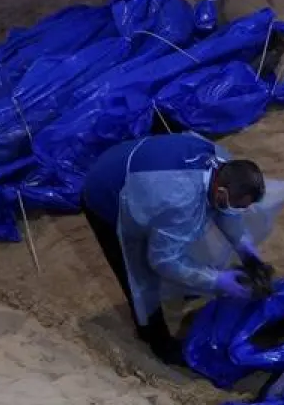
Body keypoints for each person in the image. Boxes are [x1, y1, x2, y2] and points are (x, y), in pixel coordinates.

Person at [81, 132, 268, 366]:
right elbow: (163, 261)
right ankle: (155, 339)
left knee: (181, 237)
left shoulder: (223, 167)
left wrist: (246, 249)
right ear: (221, 191)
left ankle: (183, 287)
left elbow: (226, 211)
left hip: (137, 167)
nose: (238, 210)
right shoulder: (179, 202)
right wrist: (217, 280)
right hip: (108, 192)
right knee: (138, 274)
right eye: (238, 205)